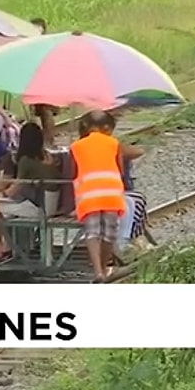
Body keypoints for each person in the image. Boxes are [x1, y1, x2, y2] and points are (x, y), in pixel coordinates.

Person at [0, 123, 62, 260]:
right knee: (10, 207)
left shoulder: (26, 161)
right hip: (53, 205)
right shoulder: (49, 156)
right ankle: (12, 246)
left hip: (41, 210)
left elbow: (14, 190)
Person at [70, 110, 127, 283]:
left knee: (92, 233)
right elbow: (121, 170)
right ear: (107, 127)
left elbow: (73, 173)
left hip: (88, 195)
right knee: (109, 234)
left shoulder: (76, 146)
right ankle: (104, 267)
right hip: (112, 193)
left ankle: (97, 272)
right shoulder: (114, 143)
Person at [27, 18, 59, 146]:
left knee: (46, 111)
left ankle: (49, 140)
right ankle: (39, 140)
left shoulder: (48, 45)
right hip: (34, 81)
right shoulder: (30, 45)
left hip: (47, 82)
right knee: (36, 112)